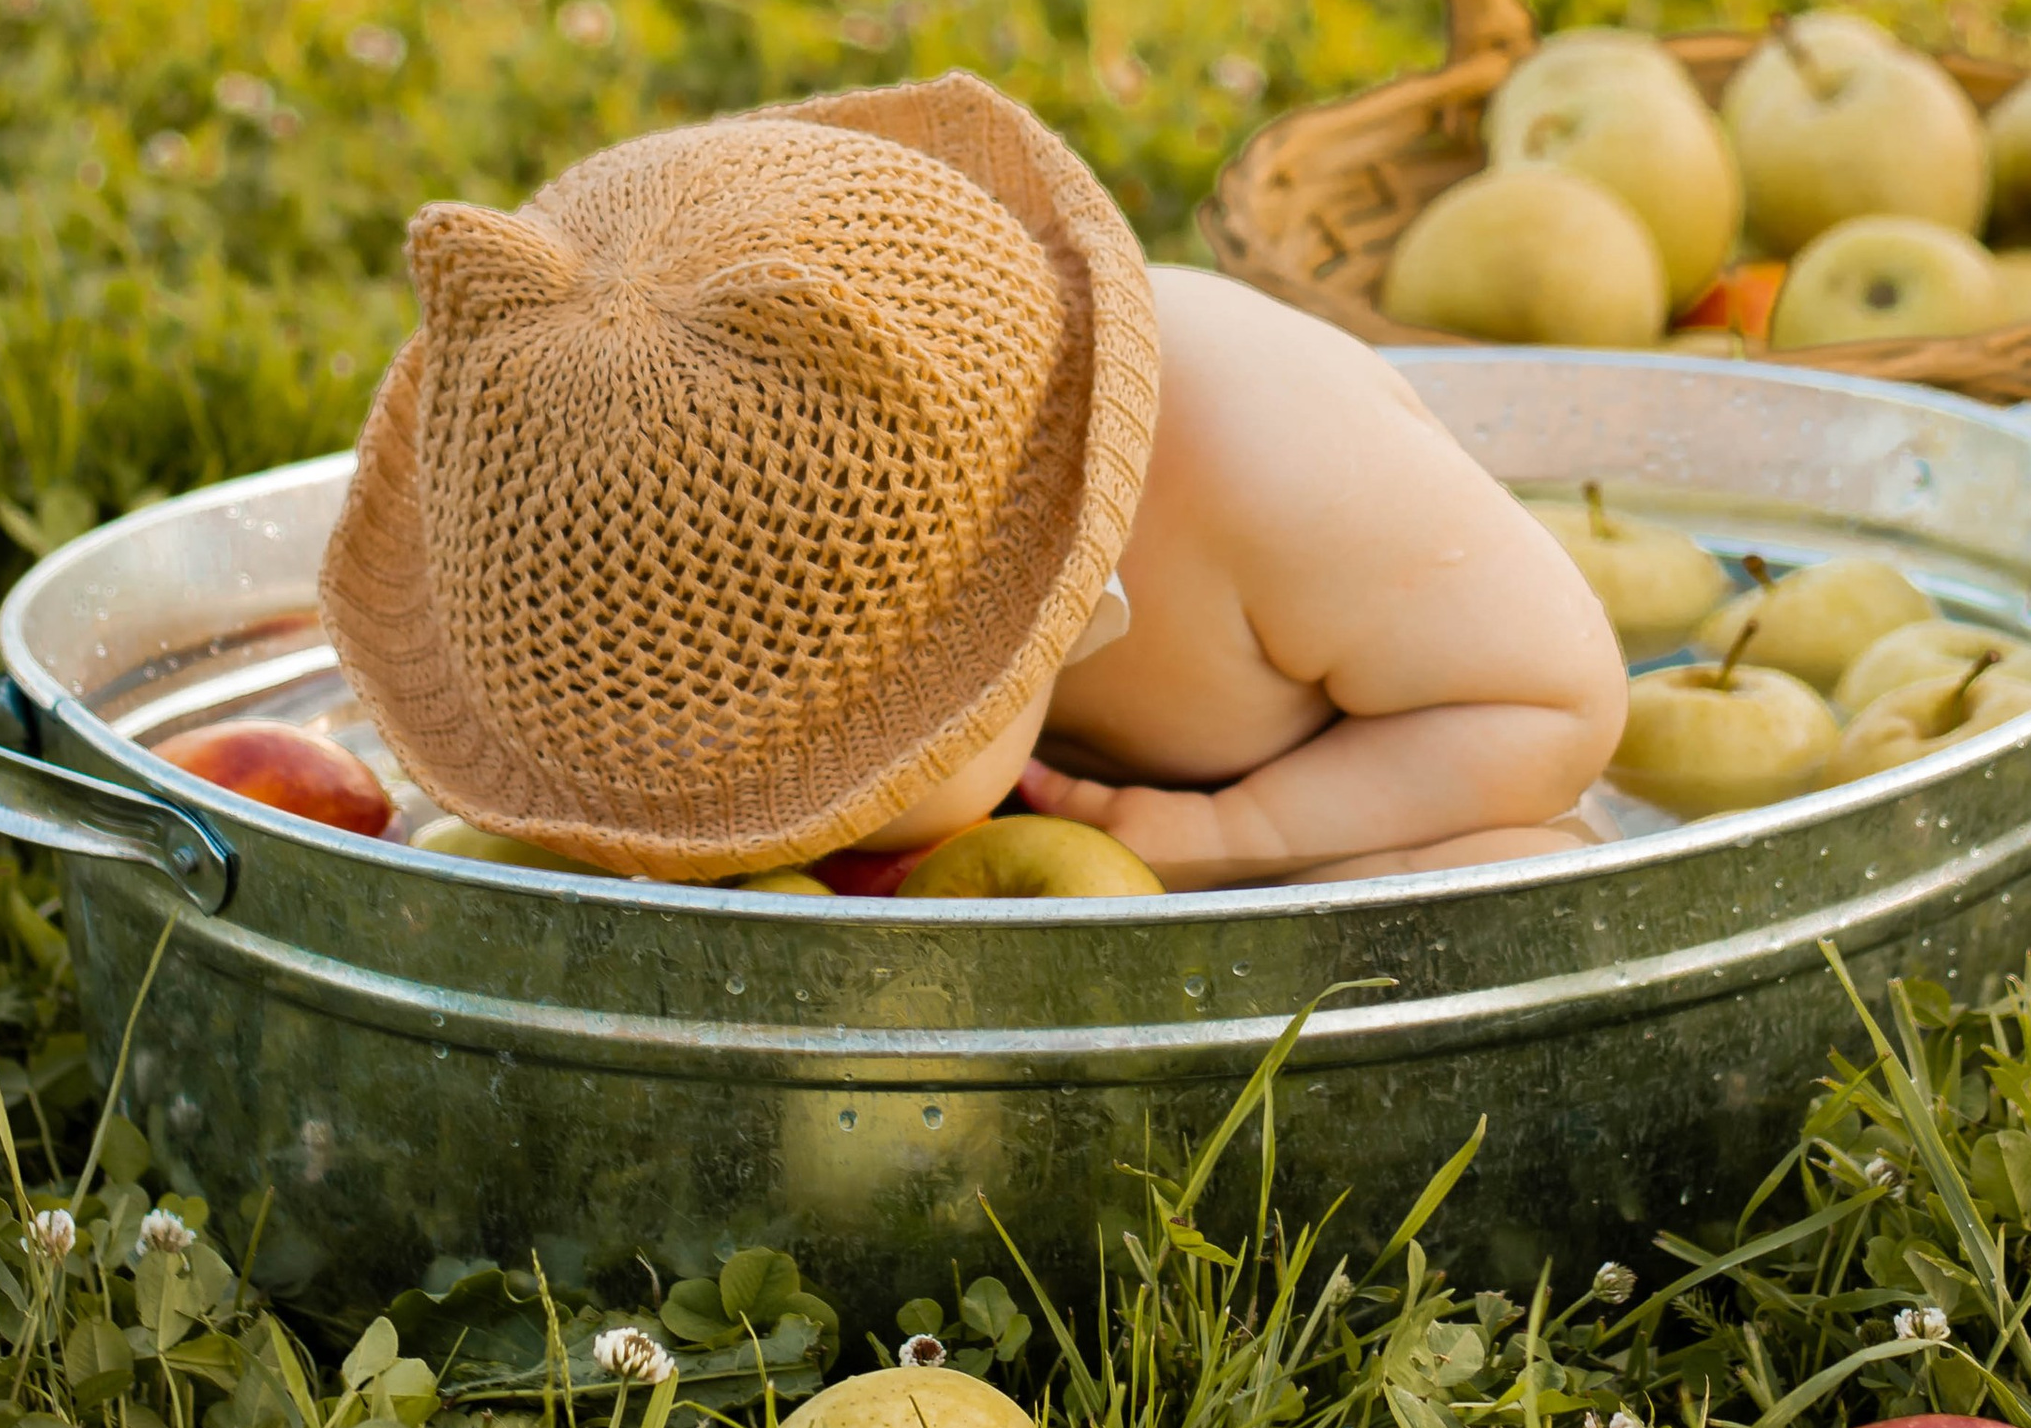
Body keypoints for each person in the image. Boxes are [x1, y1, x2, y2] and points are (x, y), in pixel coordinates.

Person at [322, 73, 1624, 891]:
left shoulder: (1278, 465)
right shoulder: (630, 504)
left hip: (1383, 764)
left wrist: (1249, 840)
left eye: (827, 783)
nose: (771, 857)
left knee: (1504, 873)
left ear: (1069, 607)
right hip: (1071, 847)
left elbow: (1552, 704)